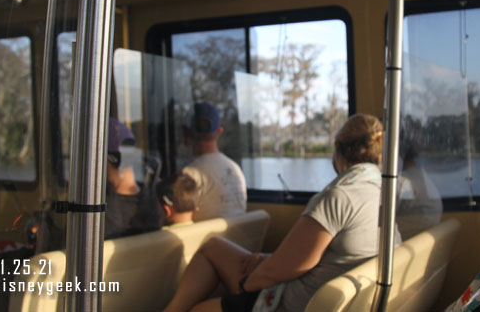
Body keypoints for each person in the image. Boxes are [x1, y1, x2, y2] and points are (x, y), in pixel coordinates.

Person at [164, 113, 401, 312]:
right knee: (214, 246)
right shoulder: (383, 193)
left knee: (198, 310)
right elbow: (313, 258)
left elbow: (282, 270)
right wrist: (267, 260)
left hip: (292, 303)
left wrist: (246, 285)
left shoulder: (339, 197)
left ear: (337, 148)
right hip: (340, 293)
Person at [181, 102, 246, 221]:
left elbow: (181, 227)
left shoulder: (189, 174)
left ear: (185, 132)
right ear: (219, 132)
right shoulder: (236, 169)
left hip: (204, 240)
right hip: (238, 240)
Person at [396, 145, 443, 240]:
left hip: (411, 235)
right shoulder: (424, 177)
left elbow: (388, 210)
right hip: (426, 230)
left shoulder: (403, 180)